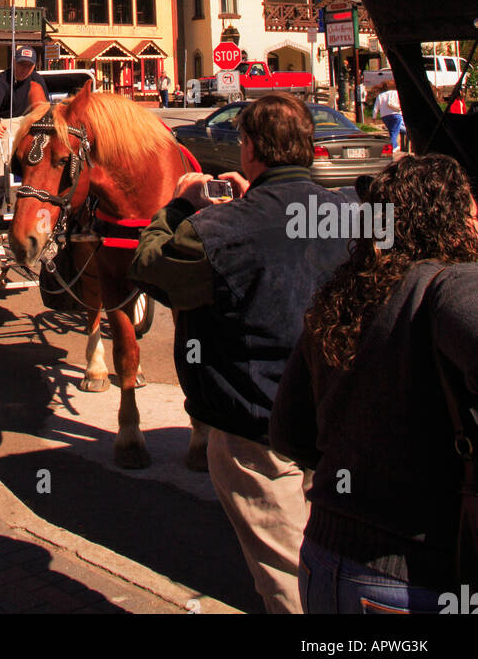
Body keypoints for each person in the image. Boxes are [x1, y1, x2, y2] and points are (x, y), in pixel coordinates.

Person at [129, 94, 349, 614]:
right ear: (311, 149)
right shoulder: (353, 214)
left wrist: (181, 203)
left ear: (248, 151)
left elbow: (149, 266)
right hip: (339, 423)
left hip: (256, 428)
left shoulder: (221, 232)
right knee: (330, 559)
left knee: (289, 581)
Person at [270, 154, 478, 613]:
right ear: (455, 217)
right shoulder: (452, 285)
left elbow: (287, 430)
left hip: (323, 561)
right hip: (416, 578)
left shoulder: (342, 295)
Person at [0, 47, 50, 140]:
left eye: (29, 65)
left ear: (34, 66)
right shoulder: (1, 80)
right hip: (5, 122)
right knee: (5, 144)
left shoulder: (37, 79)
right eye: (22, 64)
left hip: (30, 122)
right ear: (14, 62)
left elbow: (45, 105)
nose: (25, 69)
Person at [373, 85, 403, 151]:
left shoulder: (380, 96)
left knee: (392, 131)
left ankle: (395, 146)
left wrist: (374, 117)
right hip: (396, 114)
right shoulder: (396, 93)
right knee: (394, 131)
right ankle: (393, 147)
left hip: (384, 116)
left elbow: (376, 107)